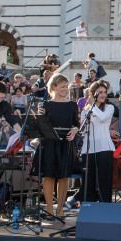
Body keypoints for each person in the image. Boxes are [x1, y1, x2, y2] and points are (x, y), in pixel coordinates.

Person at [35, 74, 80, 218]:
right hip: (50, 141)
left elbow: (77, 124)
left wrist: (74, 131)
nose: (65, 89)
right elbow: (41, 124)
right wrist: (39, 115)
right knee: (49, 176)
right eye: (62, 86)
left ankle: (60, 209)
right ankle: (49, 209)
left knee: (64, 177)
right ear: (53, 87)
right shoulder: (45, 104)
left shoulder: (72, 104)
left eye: (66, 86)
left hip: (67, 141)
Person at [80, 80, 116, 204]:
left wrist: (93, 105)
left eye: (104, 92)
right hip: (88, 149)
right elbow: (83, 131)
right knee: (88, 182)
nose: (103, 95)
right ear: (92, 93)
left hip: (105, 148)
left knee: (104, 183)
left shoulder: (109, 108)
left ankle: (105, 209)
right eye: (99, 92)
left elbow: (102, 118)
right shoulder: (85, 111)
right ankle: (88, 208)